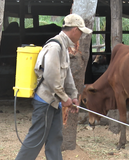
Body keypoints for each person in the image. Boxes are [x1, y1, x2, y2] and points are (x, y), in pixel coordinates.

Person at [15, 14, 92, 160]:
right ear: (75, 29)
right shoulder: (54, 47)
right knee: (36, 139)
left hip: (54, 102)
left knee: (55, 138)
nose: (81, 35)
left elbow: (67, 74)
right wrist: (65, 98)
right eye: (81, 32)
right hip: (45, 101)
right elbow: (51, 78)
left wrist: (74, 96)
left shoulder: (64, 47)